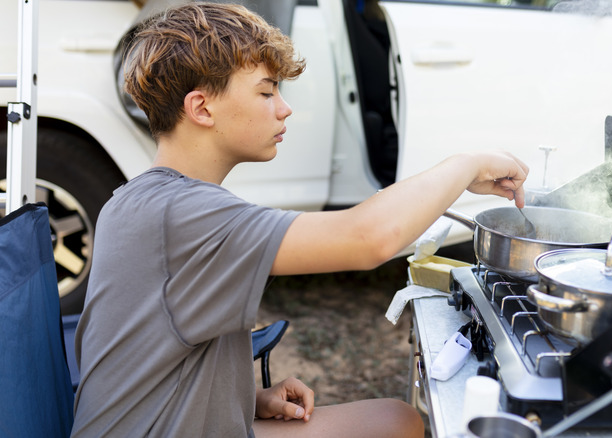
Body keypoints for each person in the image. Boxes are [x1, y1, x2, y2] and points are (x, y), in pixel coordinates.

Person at [71, 2, 529, 437]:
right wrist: (467, 164)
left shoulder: (138, 201)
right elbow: (368, 237)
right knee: (399, 423)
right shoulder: (183, 215)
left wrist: (246, 398)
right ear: (202, 108)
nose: (283, 107)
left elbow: (142, 357)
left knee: (396, 421)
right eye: (266, 91)